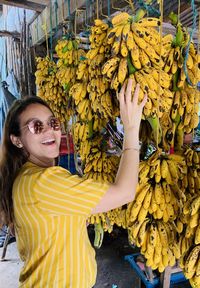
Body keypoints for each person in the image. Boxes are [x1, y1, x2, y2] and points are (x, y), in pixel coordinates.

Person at [0, 79, 146, 288]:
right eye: (35, 126)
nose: (49, 131)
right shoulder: (43, 182)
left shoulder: (27, 177)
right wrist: (131, 129)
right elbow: (125, 193)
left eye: (53, 123)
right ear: (17, 140)